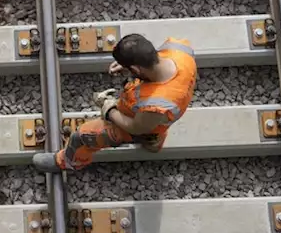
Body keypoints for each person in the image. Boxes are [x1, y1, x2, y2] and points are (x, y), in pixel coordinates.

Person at [33, 33, 197, 172]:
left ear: (137, 70)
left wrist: (109, 109)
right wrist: (128, 65)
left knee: (81, 136)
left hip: (142, 124)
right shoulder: (179, 49)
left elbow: (135, 126)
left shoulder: (155, 106)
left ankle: (68, 161)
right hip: (156, 119)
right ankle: (153, 143)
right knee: (155, 133)